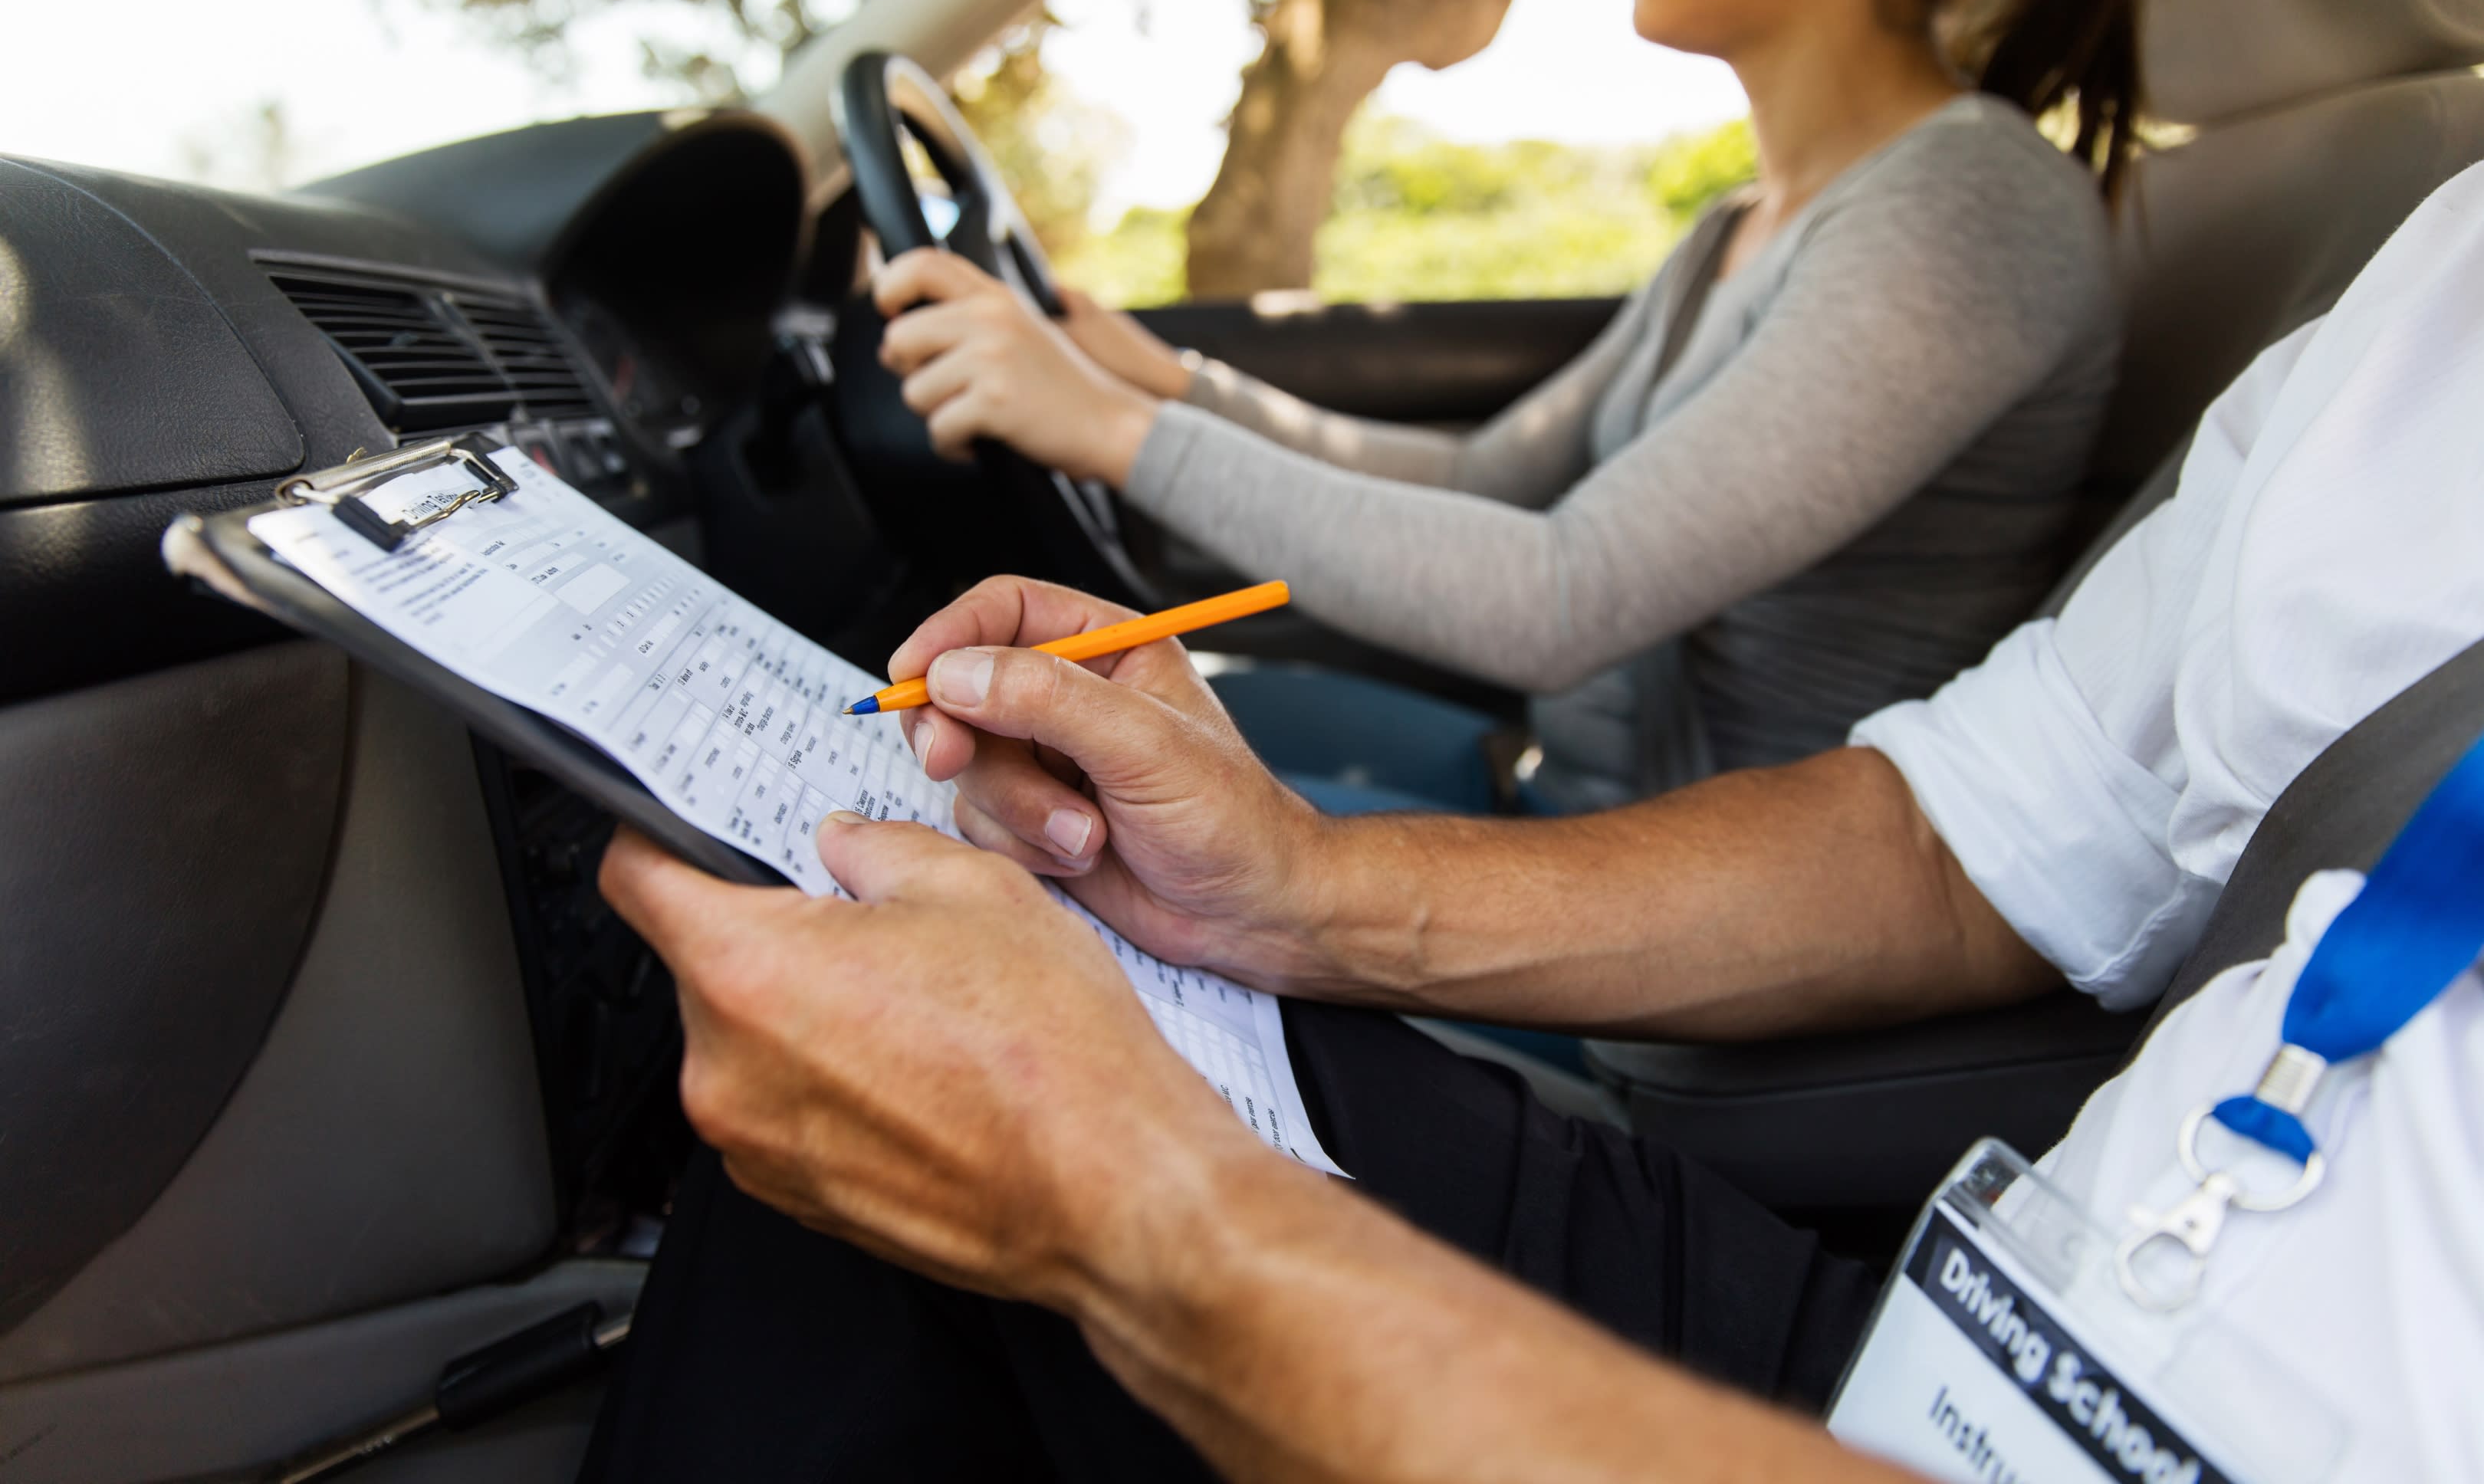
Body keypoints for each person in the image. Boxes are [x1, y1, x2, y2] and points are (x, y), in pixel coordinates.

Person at [576, 158, 2484, 1480]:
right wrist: (1303, 892)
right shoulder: (2446, 292)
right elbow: (1997, 814)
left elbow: (1564, 578)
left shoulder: (1965, 208)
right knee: (932, 1005)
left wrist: (1134, 1210)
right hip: (1984, 1317)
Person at [868, 0, 2154, 816]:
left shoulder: (1970, 207)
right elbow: (1494, 477)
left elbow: (1562, 594)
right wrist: (1173, 387)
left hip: (1667, 918)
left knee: (1004, 813)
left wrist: (1102, 428)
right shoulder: (1737, 230)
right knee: (1035, 762)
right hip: (1562, 797)